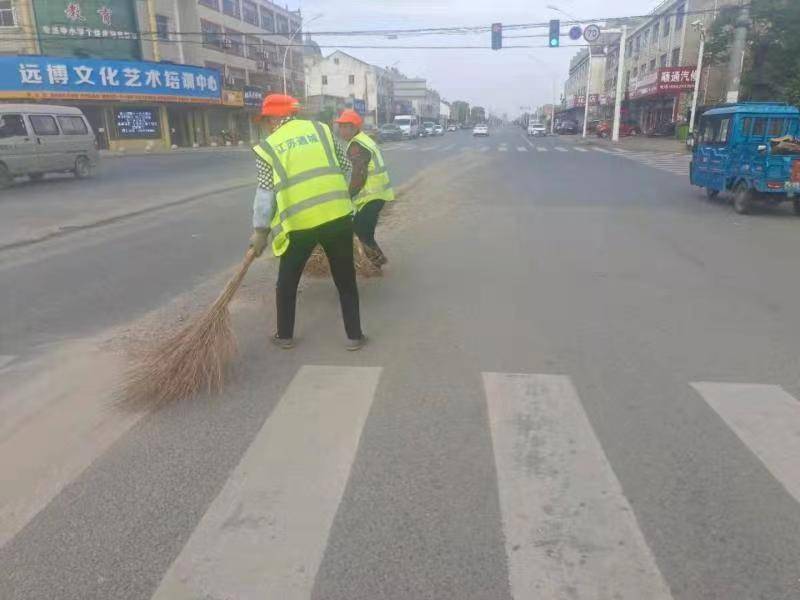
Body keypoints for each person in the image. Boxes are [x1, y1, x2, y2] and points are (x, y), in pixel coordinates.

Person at [249, 94, 366, 351]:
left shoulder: (268, 147)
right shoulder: (321, 130)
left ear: (278, 116)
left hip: (300, 224)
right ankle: (354, 336)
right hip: (337, 217)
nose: (267, 125)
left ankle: (285, 336)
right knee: (345, 279)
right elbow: (346, 166)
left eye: (268, 119)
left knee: (288, 281)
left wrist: (260, 231)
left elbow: (265, 194)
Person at [334, 109, 395, 267]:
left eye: (344, 126)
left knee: (361, 230)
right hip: (377, 194)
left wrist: (348, 196)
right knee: (364, 230)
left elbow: (358, 176)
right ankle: (377, 262)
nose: (340, 130)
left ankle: (378, 263)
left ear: (354, 127)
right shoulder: (363, 140)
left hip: (372, 196)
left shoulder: (356, 145)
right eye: (339, 126)